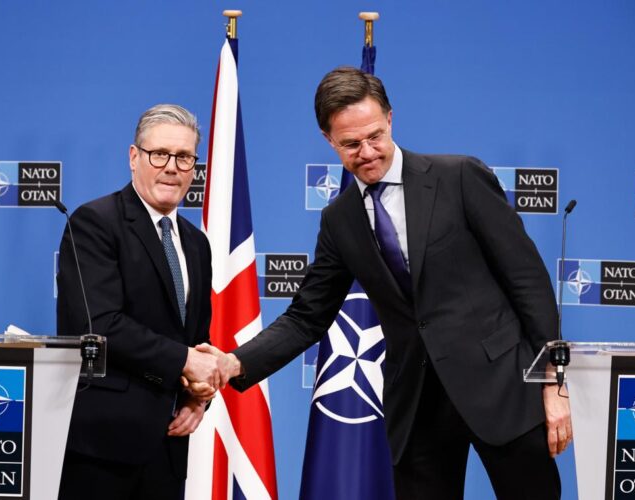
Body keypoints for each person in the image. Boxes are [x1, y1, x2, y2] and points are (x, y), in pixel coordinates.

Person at [195, 67, 572, 499]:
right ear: (329, 141)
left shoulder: (460, 177)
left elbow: (527, 280)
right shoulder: (339, 220)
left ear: (390, 118)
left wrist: (553, 384)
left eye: (375, 135)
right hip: (417, 406)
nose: (368, 152)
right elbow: (306, 317)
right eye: (351, 144)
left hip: (502, 388)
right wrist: (233, 363)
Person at [56, 104, 221, 500]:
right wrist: (186, 360)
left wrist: (196, 398)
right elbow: (99, 325)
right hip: (100, 448)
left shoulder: (196, 243)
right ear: (134, 157)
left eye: (184, 157)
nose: (171, 167)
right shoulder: (95, 222)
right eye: (159, 154)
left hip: (167, 448)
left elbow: (195, 337)